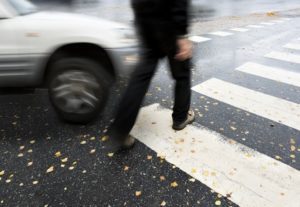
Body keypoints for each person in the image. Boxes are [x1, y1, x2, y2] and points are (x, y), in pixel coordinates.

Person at [107, 0, 194, 149]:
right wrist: (181, 34)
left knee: (140, 78)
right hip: (168, 22)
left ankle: (120, 130)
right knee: (182, 74)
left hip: (145, 20)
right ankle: (180, 118)